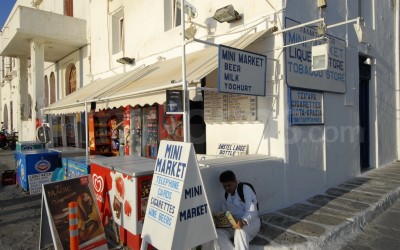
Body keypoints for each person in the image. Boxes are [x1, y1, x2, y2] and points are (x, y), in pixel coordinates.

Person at [206, 170, 261, 250]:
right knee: (218, 233)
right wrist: (220, 221)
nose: (227, 188)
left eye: (229, 185)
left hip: (250, 223)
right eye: (224, 186)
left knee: (240, 232)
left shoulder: (245, 189)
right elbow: (226, 212)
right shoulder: (224, 195)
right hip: (233, 223)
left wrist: (243, 221)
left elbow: (252, 211)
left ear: (235, 181)